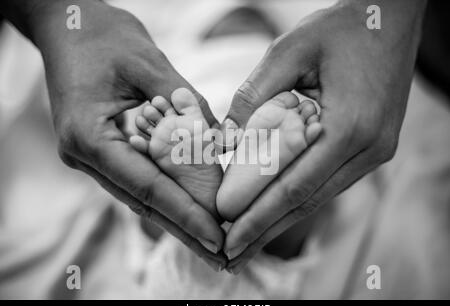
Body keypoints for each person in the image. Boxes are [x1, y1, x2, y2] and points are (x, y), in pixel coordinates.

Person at [0, 0, 428, 273]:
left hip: (195, 91)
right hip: (261, 96)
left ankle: (203, 196)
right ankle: (261, 199)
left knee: (150, 195)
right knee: (309, 198)